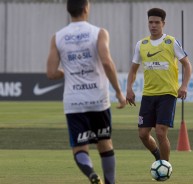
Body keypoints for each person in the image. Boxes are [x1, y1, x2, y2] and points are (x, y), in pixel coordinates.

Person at [46, 0, 126, 184]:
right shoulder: (98, 33)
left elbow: (51, 73)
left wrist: (67, 71)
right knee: (105, 143)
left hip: (74, 102)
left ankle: (91, 173)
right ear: (86, 8)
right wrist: (119, 92)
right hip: (98, 99)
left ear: (69, 11)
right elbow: (106, 62)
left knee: (80, 148)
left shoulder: (58, 37)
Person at [126, 8, 192, 162]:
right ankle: (158, 157)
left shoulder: (171, 42)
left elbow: (187, 65)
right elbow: (133, 70)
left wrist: (184, 86)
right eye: (150, 22)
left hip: (167, 94)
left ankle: (165, 166)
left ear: (163, 23)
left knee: (161, 132)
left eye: (157, 22)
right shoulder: (141, 44)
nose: (153, 25)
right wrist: (129, 88)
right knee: (143, 134)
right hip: (148, 95)